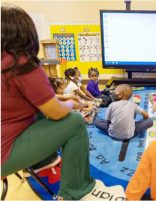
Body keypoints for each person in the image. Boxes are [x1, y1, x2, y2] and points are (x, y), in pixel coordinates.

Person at [1, 4, 117, 200]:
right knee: (75, 122)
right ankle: (74, 191)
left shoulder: (6, 63)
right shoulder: (23, 65)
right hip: (6, 151)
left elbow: (39, 100)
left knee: (42, 112)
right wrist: (74, 104)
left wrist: (66, 98)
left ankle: (43, 160)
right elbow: (57, 112)